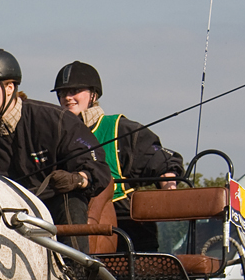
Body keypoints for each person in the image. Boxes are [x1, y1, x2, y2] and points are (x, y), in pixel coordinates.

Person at [0, 48, 110, 252]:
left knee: (70, 198)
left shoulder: (56, 120)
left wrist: (78, 179)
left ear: (10, 87)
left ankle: (77, 275)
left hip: (54, 207)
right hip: (6, 217)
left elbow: (98, 167)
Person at [53, 61, 183, 252]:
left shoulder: (119, 129)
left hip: (125, 228)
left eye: (75, 91)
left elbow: (163, 163)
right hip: (69, 223)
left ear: (93, 95)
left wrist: (170, 191)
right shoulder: (54, 134)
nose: (68, 97)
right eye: (63, 93)